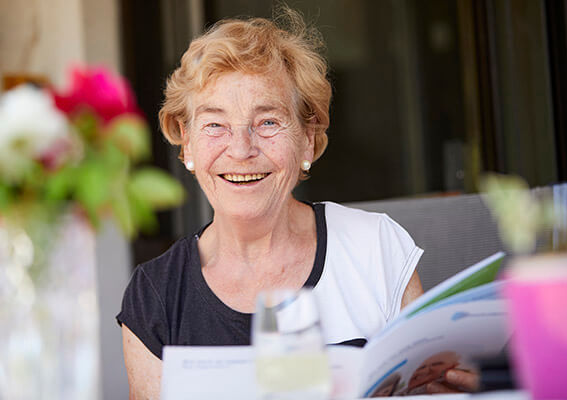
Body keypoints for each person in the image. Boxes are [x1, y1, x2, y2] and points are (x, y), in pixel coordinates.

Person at [117, 8, 476, 399]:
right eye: (215, 124)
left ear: (307, 138)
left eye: (268, 122)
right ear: (187, 143)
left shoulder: (376, 247)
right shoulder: (156, 294)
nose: (241, 150)